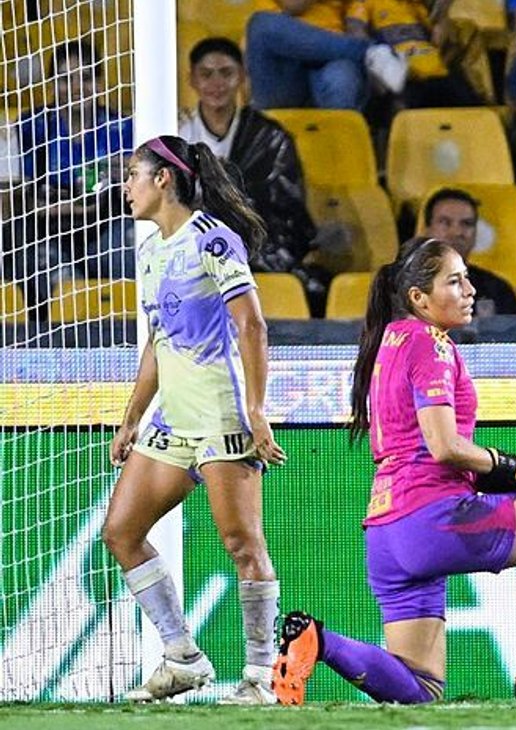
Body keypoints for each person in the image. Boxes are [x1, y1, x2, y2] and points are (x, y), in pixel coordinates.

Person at [272, 238, 516, 706]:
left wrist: (510, 476)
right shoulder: (431, 344)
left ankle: (316, 640)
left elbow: (417, 446)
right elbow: (444, 447)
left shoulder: (390, 339)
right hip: (433, 519)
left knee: (419, 689)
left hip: (386, 532)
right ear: (419, 298)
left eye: (466, 278)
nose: (470, 290)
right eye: (454, 281)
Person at [102, 135, 288, 704]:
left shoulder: (212, 240)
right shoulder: (151, 251)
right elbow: (158, 340)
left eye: (133, 174)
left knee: (242, 543)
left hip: (222, 415)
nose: (125, 187)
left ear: (164, 180)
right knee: (122, 532)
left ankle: (260, 677)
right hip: (172, 422)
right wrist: (132, 416)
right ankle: (182, 655)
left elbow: (252, 325)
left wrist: (256, 411)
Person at [180, 37, 333, 316]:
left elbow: (285, 205)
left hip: (255, 246)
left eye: (226, 73)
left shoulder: (270, 135)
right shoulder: (178, 134)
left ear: (242, 76)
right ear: (192, 79)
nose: (217, 84)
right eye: (206, 74)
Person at [13, 39, 134, 310]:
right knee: (35, 263)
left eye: (86, 78)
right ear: (52, 85)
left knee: (128, 244)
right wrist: (84, 202)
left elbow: (131, 192)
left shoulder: (122, 128)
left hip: (106, 232)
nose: (77, 88)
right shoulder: (34, 126)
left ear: (101, 82)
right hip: (51, 235)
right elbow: (32, 203)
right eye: (65, 79)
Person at [245, 0, 408, 110]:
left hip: (331, 57)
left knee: (343, 77)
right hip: (280, 65)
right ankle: (368, 52)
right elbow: (294, 4)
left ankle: (334, 154)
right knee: (261, 24)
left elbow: (355, 23)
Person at [344, 0, 485, 107]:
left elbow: (438, 40)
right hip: (405, 80)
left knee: (474, 113)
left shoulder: (416, 7)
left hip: (440, 75)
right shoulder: (365, 4)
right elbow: (356, 33)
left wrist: (443, 22)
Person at [419, 188, 516, 318]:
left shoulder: (497, 290)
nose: (457, 232)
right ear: (426, 230)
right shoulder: (398, 288)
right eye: (445, 222)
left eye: (466, 224)